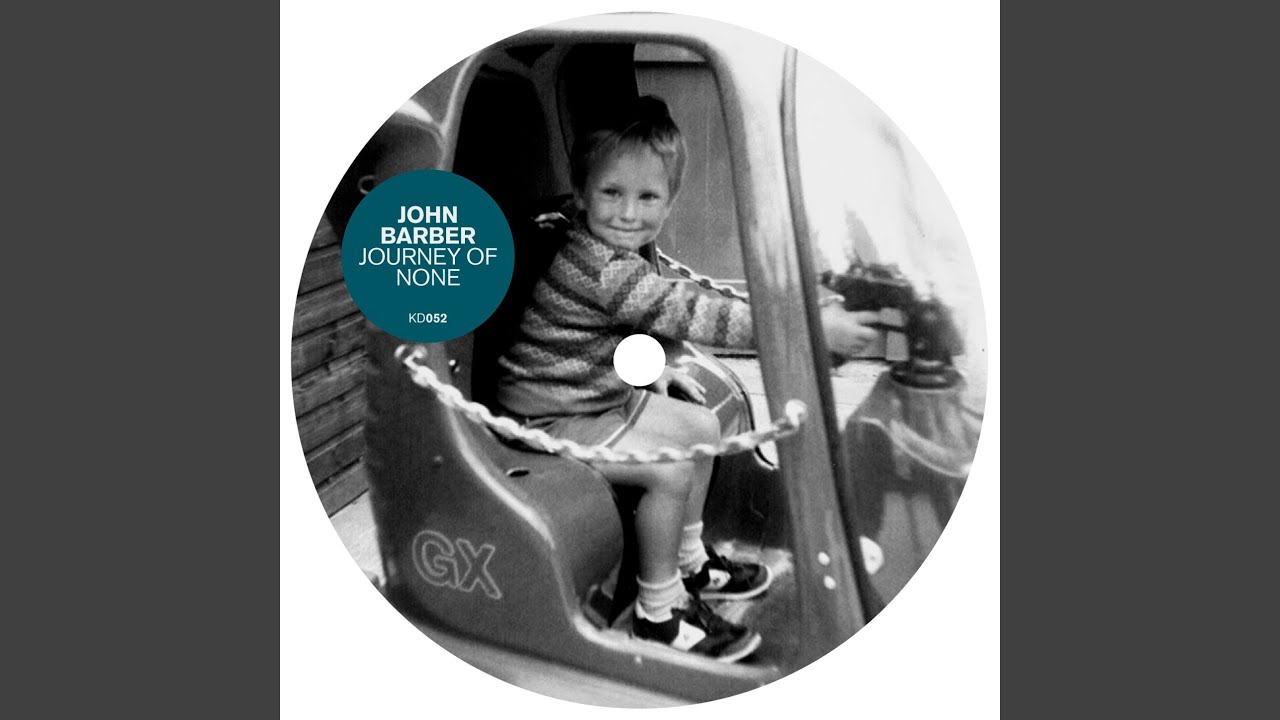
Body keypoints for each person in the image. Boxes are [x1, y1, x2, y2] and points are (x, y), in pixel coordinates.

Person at [494, 96, 879, 662]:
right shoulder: (603, 266)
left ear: (670, 200)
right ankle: (658, 612)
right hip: (548, 415)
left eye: (648, 197)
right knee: (670, 469)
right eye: (611, 193)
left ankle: (691, 562)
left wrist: (657, 369)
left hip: (589, 394)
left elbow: (617, 328)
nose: (629, 213)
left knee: (700, 425)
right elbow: (692, 313)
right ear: (580, 194)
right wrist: (809, 326)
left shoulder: (613, 251)